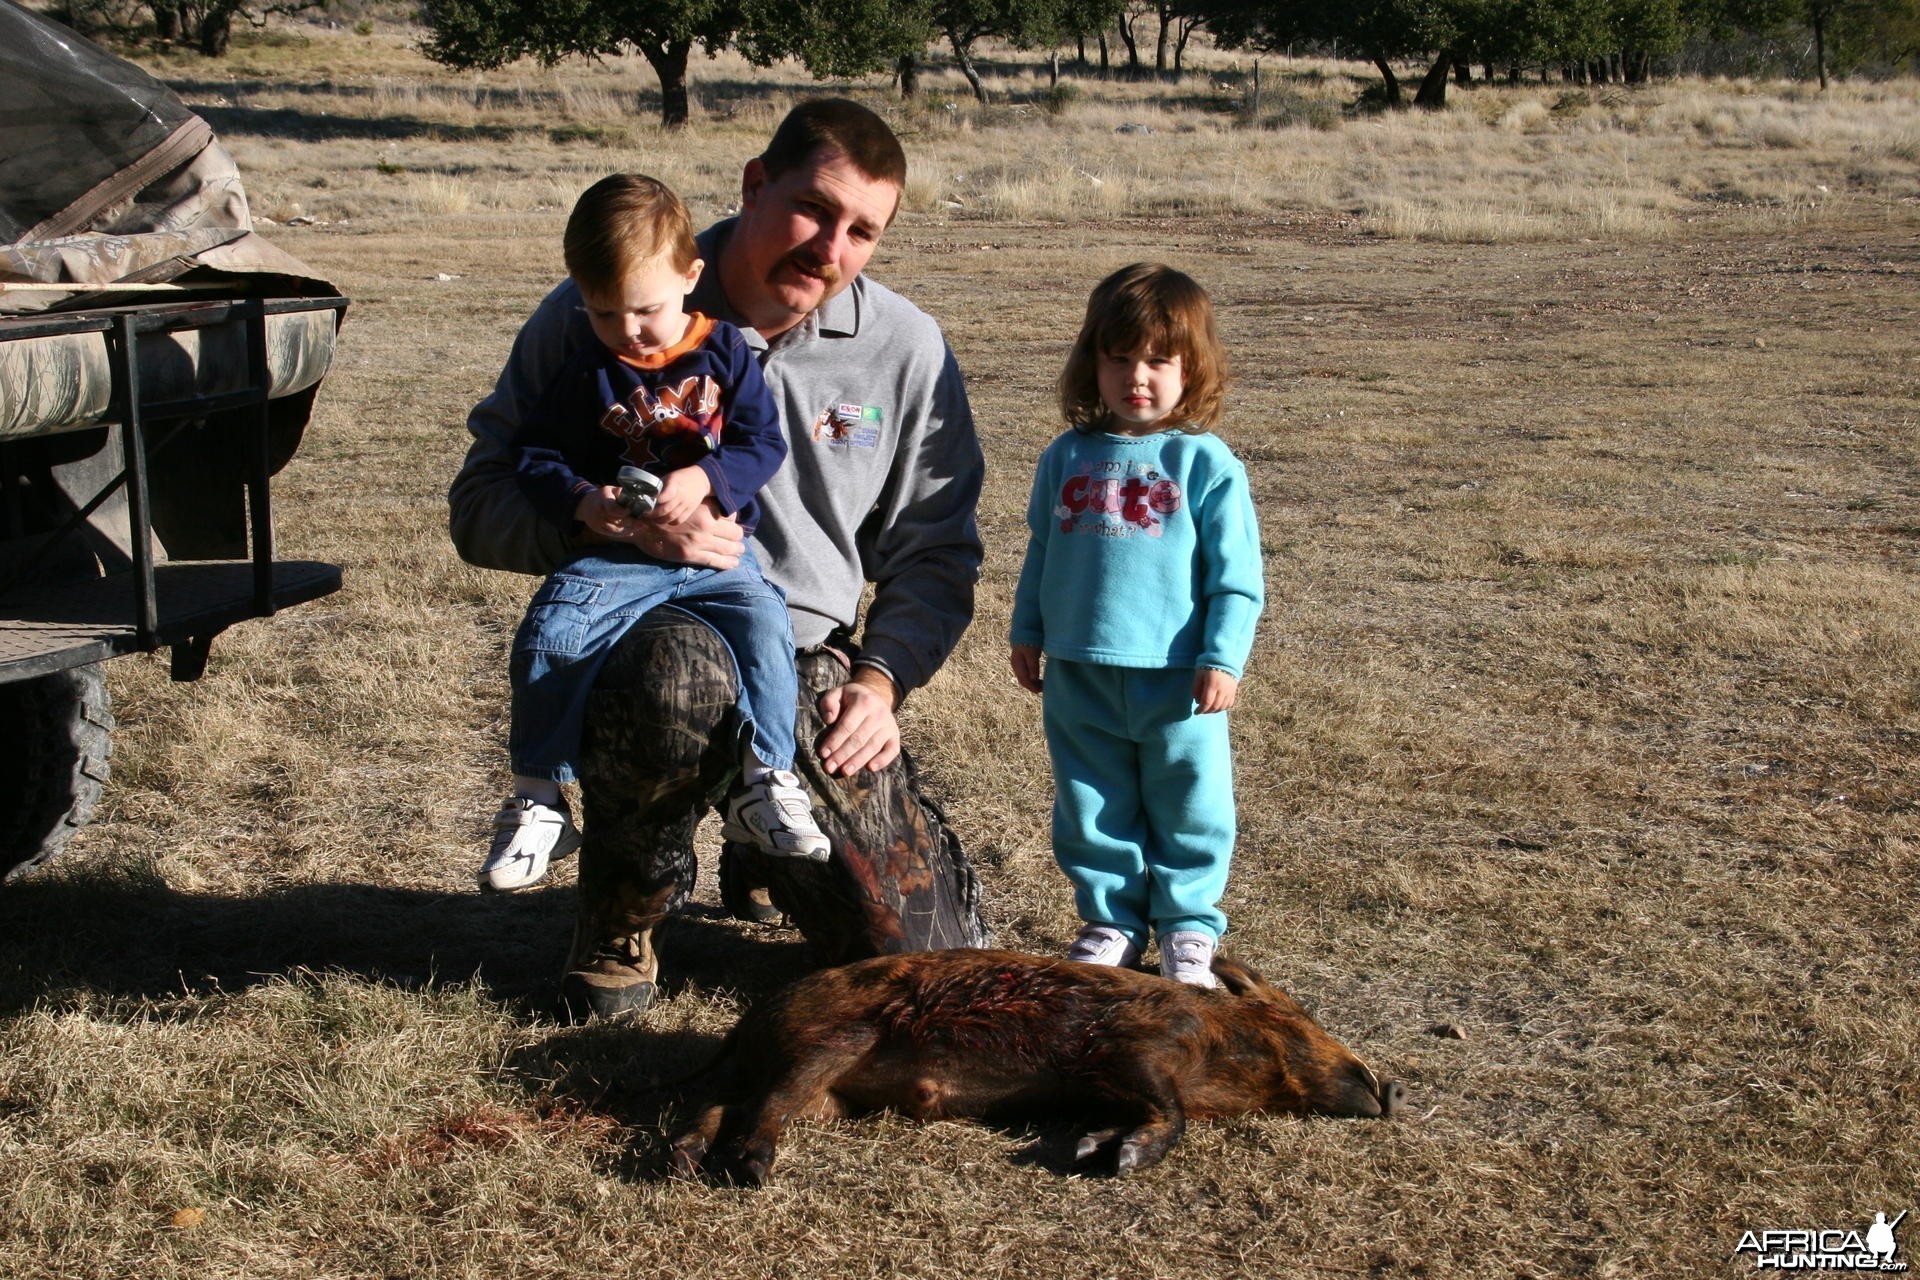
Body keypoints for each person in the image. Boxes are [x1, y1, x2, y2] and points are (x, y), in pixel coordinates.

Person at [448, 99, 986, 1012]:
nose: (832, 247)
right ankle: (625, 911)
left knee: (919, 965)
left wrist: (881, 680)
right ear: (753, 184)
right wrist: (611, 523)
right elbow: (481, 503)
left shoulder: (905, 348)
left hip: (806, 650)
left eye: (864, 231)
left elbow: (937, 550)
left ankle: (760, 838)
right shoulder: (612, 305)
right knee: (674, 677)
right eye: (815, 209)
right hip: (643, 631)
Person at [478, 173, 829, 894]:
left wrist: (706, 480)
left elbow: (763, 442)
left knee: (767, 626)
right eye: (604, 313)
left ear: (690, 277)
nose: (629, 331)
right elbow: (533, 455)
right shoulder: (587, 364)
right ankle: (538, 796)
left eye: (645, 309)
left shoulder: (726, 352)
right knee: (551, 633)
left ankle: (766, 778)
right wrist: (583, 504)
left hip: (719, 551)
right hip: (617, 553)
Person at [1008, 263, 1264, 988]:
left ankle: (1187, 926)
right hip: (1079, 669)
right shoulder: (1067, 455)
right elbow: (1042, 548)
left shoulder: (1204, 462)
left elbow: (1237, 577)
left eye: (1157, 359)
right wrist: (1027, 629)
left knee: (1190, 803)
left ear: (1193, 368)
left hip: (1176, 678)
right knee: (1091, 802)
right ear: (1093, 360)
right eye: (1118, 357)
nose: (1136, 377)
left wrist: (1223, 657)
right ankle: (1112, 917)